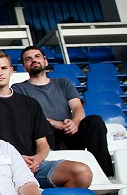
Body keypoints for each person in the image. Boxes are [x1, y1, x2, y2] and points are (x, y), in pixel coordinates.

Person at [0, 50, 92, 188]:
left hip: (31, 167)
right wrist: (13, 159)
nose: (0, 73)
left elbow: (43, 144)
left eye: (4, 68)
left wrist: (37, 159)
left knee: (82, 173)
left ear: (11, 71)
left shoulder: (30, 103)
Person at [14, 45, 114, 177]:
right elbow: (26, 117)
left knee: (94, 121)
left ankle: (105, 174)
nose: (34, 60)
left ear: (46, 61)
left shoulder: (63, 83)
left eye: (37, 56)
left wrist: (75, 122)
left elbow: (77, 107)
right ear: (24, 66)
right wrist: (54, 123)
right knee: (41, 126)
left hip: (69, 132)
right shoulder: (18, 89)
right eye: (28, 59)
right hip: (44, 135)